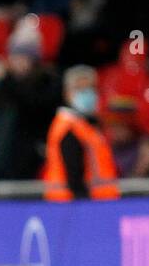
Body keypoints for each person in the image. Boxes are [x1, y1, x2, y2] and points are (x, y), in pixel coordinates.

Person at [41, 65, 120, 200]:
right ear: (67, 93)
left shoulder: (85, 126)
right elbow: (74, 175)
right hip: (71, 206)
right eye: (80, 89)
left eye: (90, 89)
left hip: (95, 203)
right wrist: (84, 205)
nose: (87, 94)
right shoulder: (69, 128)